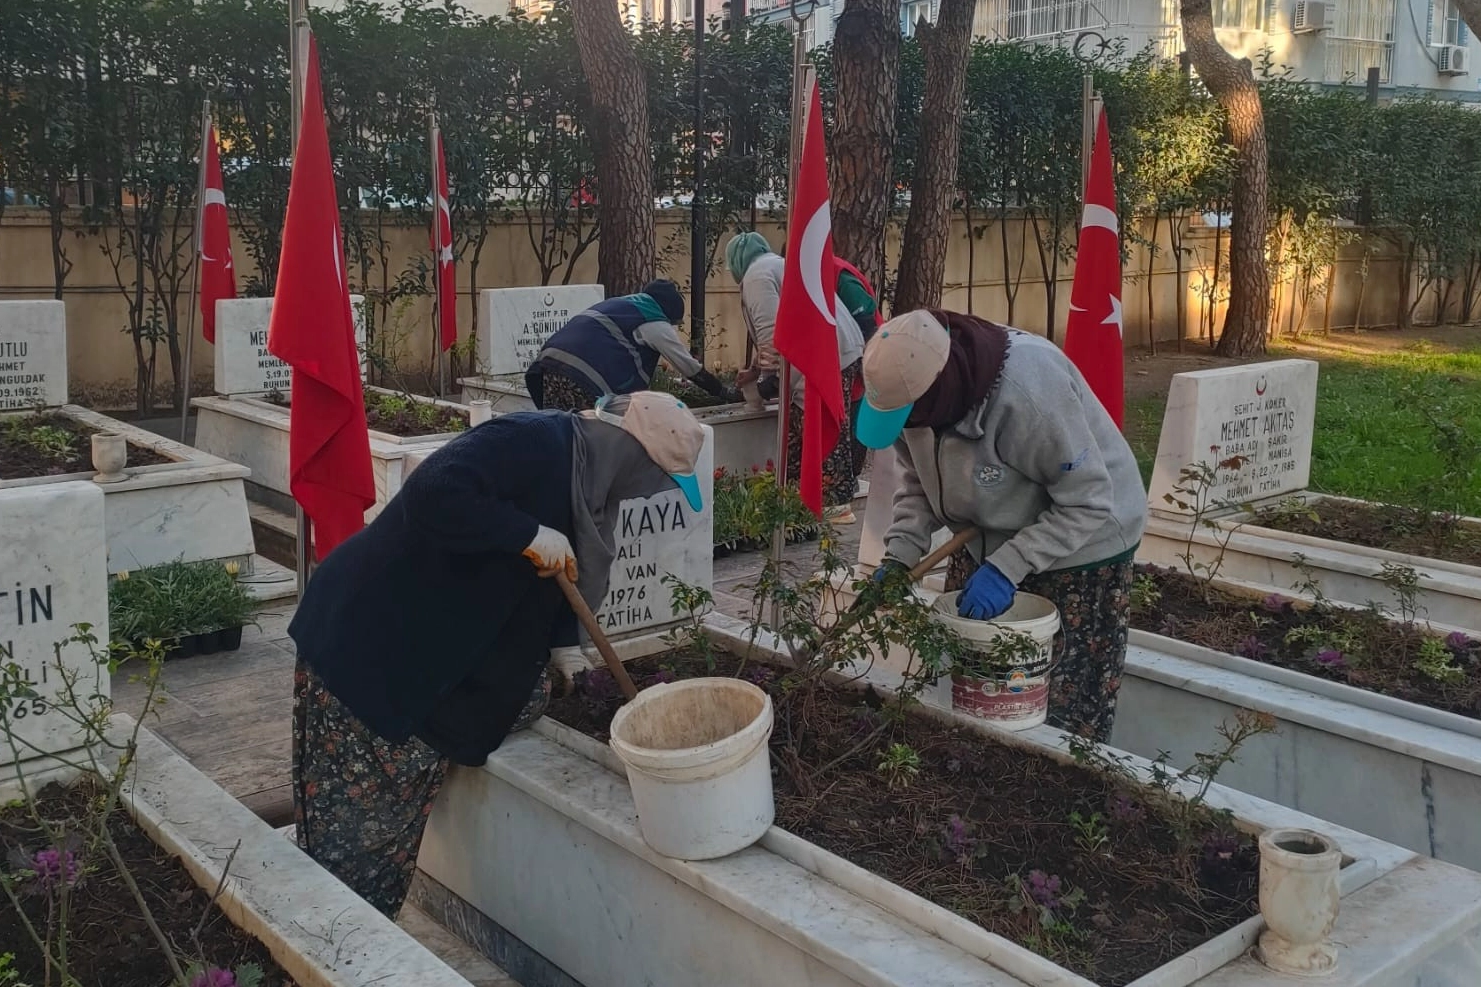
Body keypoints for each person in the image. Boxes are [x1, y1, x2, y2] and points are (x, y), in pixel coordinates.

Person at [286, 391, 706, 918]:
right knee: (353, 854)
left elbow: (560, 576)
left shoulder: (588, 487)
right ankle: (334, 953)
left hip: (427, 655)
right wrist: (523, 532)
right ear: (633, 456)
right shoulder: (534, 442)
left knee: (387, 843)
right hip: (372, 650)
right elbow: (434, 493)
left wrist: (561, 646)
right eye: (657, 478)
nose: (650, 493)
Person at [857, 310, 1146, 742]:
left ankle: (1058, 794)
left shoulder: (1028, 392)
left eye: (911, 419)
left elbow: (1087, 500)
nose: (908, 430)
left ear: (939, 396)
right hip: (983, 535)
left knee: (1057, 705)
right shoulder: (912, 402)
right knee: (977, 689)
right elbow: (918, 481)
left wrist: (1008, 566)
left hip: (1085, 544)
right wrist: (899, 557)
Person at [724, 231, 866, 519]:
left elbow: (770, 332)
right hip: (843, 346)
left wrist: (767, 381)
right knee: (802, 428)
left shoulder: (756, 277)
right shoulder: (779, 265)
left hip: (823, 355)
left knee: (820, 423)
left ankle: (832, 504)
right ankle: (796, 496)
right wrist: (754, 371)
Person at [526, 279, 733, 412]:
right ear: (669, 314)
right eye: (675, 324)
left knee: (558, 435)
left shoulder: (622, 305)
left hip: (548, 367)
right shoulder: (655, 322)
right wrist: (723, 392)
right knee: (586, 442)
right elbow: (689, 367)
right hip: (581, 379)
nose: (674, 329)